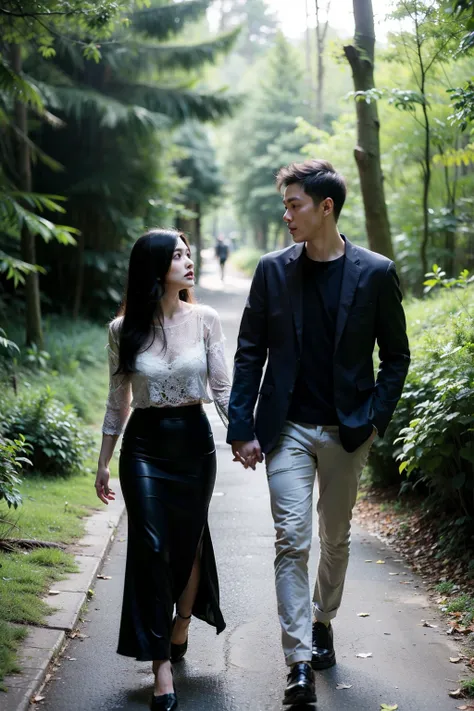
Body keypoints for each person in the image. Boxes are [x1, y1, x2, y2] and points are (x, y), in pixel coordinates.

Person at [227, 159, 410, 706]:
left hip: (347, 433)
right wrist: (242, 427)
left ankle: (323, 618)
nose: (286, 215)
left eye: (294, 204)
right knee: (291, 540)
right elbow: (249, 352)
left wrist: (375, 421)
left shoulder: (375, 272)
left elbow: (396, 357)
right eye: (285, 205)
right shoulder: (272, 269)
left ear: (325, 207)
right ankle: (299, 661)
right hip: (285, 431)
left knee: (334, 538)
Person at [95, 228, 230, 711]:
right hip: (144, 449)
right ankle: (161, 667)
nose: (188, 261)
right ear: (154, 267)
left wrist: (246, 437)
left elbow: (223, 391)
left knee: (189, 547)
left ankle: (181, 625)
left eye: (189, 253)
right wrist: (104, 463)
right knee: (151, 546)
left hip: (194, 446)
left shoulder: (206, 319)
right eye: (177, 255)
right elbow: (118, 402)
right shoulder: (122, 329)